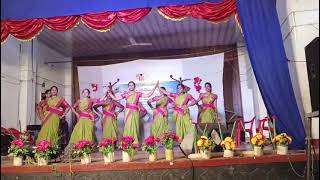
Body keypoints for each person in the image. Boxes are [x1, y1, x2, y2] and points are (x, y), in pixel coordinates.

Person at [108, 80, 158, 147]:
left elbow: (148, 95)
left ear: (134, 86)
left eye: (132, 85)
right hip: (128, 112)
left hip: (134, 112)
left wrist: (155, 87)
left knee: (134, 126)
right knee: (127, 126)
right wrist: (109, 92)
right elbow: (116, 98)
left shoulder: (137, 93)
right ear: (128, 86)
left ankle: (134, 142)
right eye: (130, 85)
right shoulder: (126, 94)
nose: (131, 86)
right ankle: (127, 142)